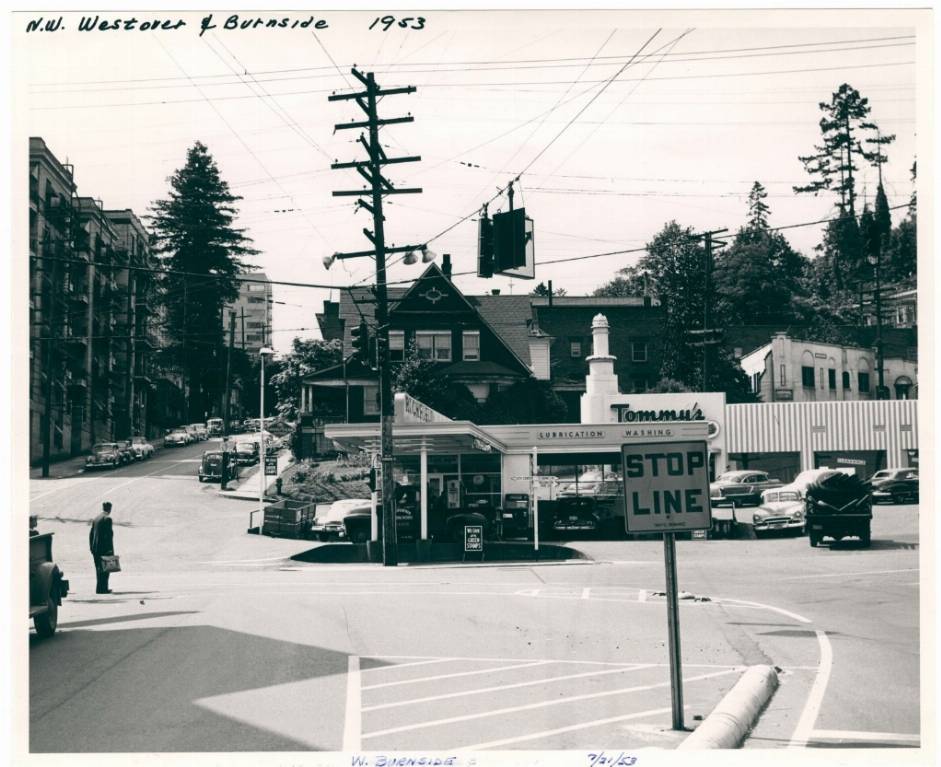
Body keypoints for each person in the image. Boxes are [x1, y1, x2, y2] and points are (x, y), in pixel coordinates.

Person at [89, 501, 115, 594]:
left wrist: (91, 547)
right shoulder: (108, 519)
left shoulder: (96, 519)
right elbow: (109, 536)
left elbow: (91, 534)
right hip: (104, 549)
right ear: (110, 509)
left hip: (95, 549)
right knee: (105, 570)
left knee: (98, 569)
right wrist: (111, 550)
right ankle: (103, 589)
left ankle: (99, 588)